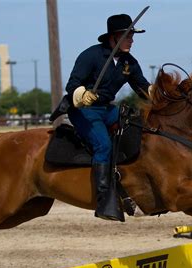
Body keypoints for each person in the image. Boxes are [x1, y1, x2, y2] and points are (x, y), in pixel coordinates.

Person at [65, 13, 152, 222]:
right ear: (115, 37)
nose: (132, 40)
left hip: (107, 109)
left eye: (132, 36)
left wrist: (165, 94)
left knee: (135, 128)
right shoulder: (90, 56)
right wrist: (82, 95)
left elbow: (143, 88)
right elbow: (71, 86)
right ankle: (104, 198)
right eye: (128, 36)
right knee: (103, 145)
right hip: (84, 111)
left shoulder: (128, 62)